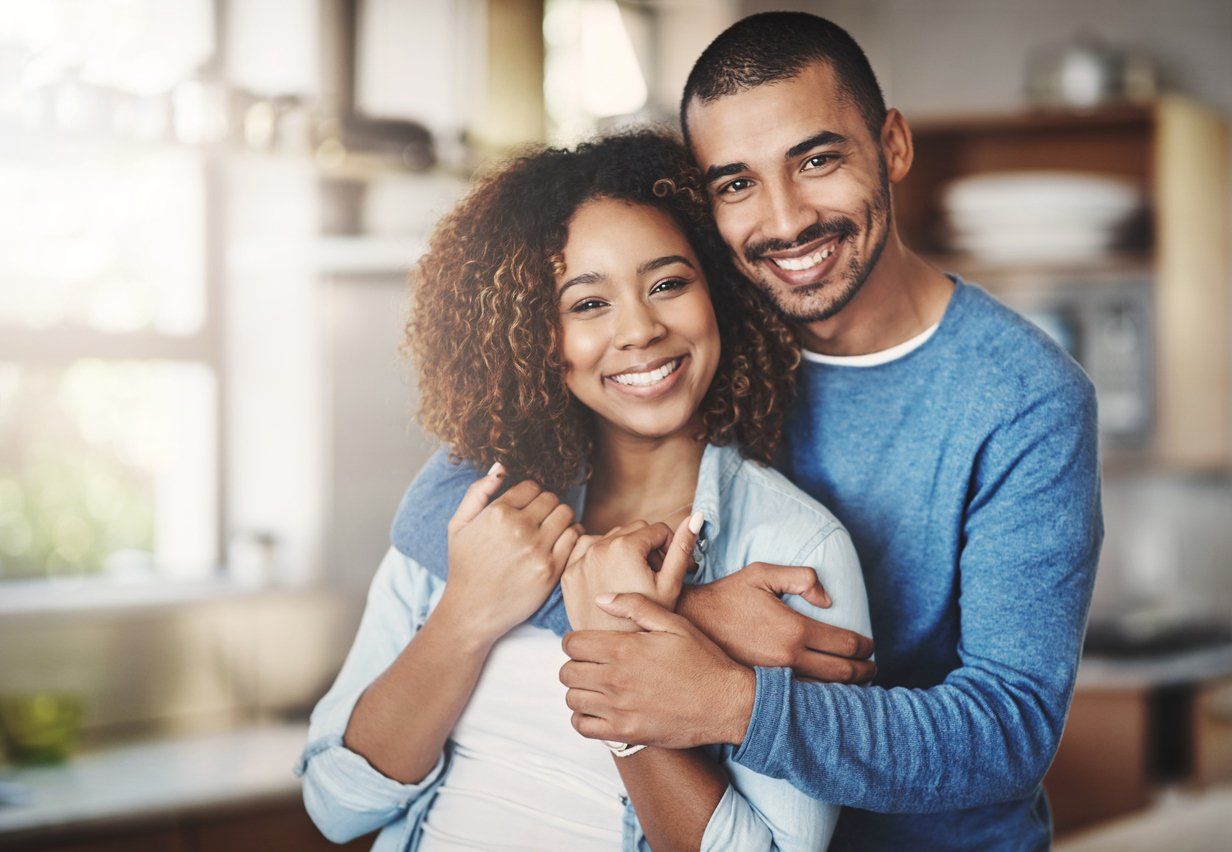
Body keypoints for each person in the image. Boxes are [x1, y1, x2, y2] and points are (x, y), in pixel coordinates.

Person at [388, 11, 1103, 851]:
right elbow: (454, 506)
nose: (787, 219)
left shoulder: (1024, 398)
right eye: (736, 184)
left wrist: (731, 699)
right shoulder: (698, 349)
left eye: (818, 159)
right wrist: (693, 613)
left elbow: (1006, 732)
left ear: (894, 147)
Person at [297, 132, 872, 851]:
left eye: (668, 284)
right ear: (536, 336)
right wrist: (466, 615)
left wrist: (619, 659)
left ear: (720, 293)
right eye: (587, 303)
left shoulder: (793, 551)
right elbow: (336, 804)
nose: (638, 329)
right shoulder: (479, 507)